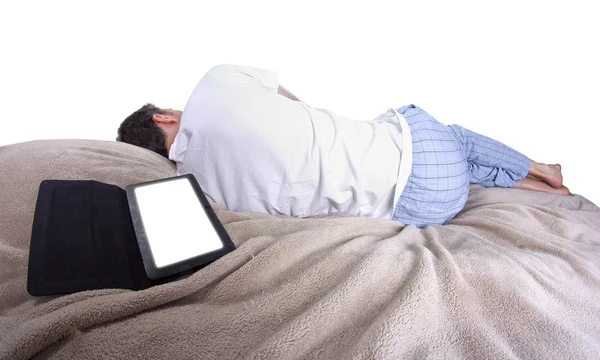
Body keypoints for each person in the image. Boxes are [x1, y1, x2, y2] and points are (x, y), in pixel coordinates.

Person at [117, 64, 570, 228]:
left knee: (443, 171)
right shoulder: (215, 82)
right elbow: (288, 95)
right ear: (164, 117)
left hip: (425, 208)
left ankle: (543, 192)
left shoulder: (201, 192)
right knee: (449, 140)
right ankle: (543, 169)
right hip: (428, 150)